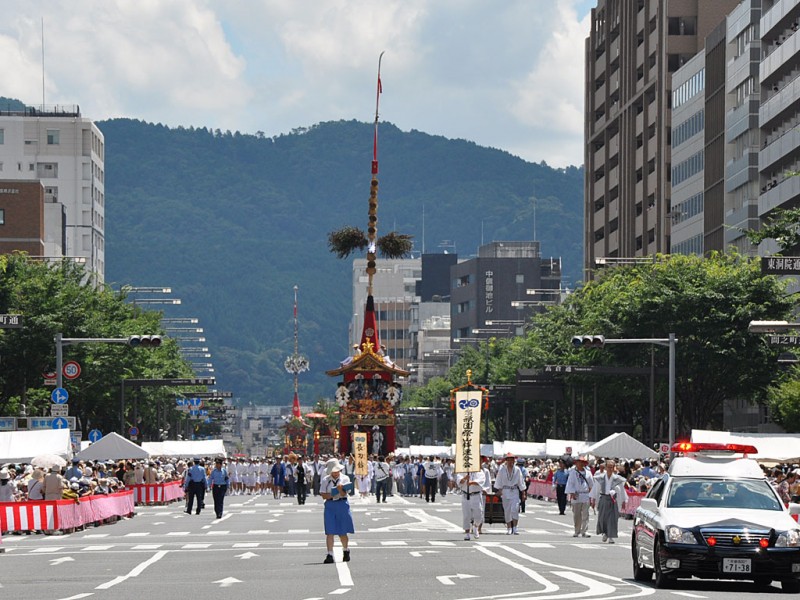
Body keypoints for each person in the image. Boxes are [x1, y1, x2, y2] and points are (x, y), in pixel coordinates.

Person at [320, 458, 354, 564]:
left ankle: (346, 550)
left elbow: (345, 494)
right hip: (330, 505)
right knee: (329, 531)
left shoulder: (345, 478)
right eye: (333, 472)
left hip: (342, 504)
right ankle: (330, 553)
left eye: (336, 471)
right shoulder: (326, 479)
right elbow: (323, 494)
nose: (335, 473)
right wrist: (332, 494)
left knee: (342, 531)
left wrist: (340, 490)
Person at [590, 459, 628, 543]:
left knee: (613, 518)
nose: (610, 469)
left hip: (614, 500)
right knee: (603, 518)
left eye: (612, 467)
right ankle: (605, 533)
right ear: (605, 467)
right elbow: (595, 489)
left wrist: (624, 501)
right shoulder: (600, 478)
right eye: (608, 467)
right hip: (603, 498)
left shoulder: (618, 479)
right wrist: (593, 499)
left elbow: (622, 490)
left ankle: (611, 536)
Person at [494, 453, 526, 535]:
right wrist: (499, 489)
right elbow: (499, 480)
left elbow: (521, 481)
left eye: (512, 459)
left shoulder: (517, 470)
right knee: (507, 510)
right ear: (506, 460)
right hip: (505, 491)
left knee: (515, 509)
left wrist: (523, 493)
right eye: (509, 459)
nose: (511, 461)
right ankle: (509, 527)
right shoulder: (502, 470)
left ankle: (515, 527)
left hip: (514, 490)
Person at [564, 455, 593, 538]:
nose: (580, 464)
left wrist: (591, 495)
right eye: (578, 462)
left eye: (581, 462)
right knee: (577, 515)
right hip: (576, 494)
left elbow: (591, 485)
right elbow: (570, 483)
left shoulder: (588, 473)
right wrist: (572, 493)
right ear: (576, 463)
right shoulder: (573, 473)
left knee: (585, 514)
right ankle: (577, 530)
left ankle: (584, 531)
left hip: (585, 494)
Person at [457, 469, 486, 540]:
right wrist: (464, 478)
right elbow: (459, 481)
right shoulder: (462, 470)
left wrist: (472, 482)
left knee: (479, 514)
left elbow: (481, 481)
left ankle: (476, 526)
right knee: (466, 515)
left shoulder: (479, 471)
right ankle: (467, 533)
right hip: (466, 495)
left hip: (476, 495)